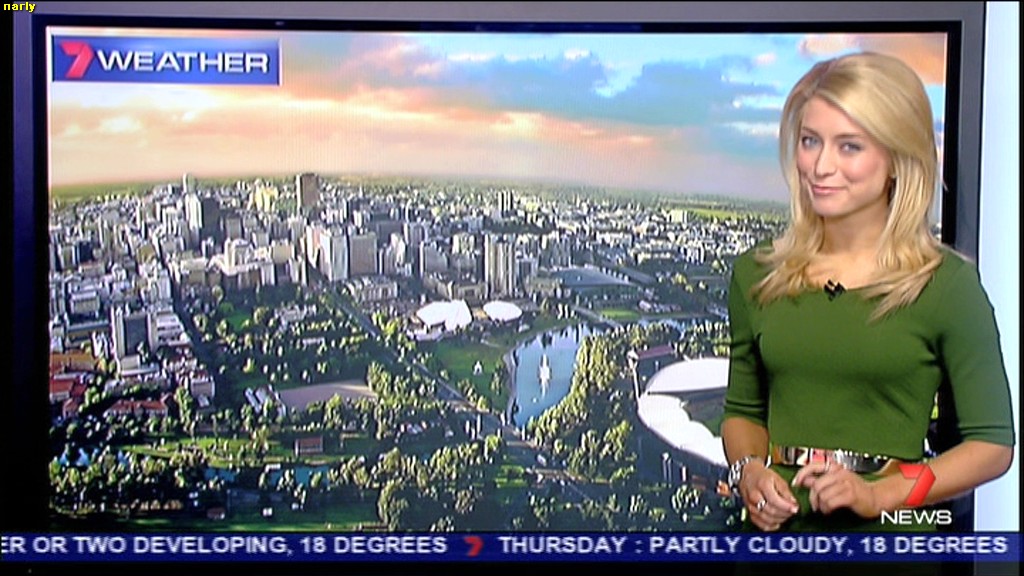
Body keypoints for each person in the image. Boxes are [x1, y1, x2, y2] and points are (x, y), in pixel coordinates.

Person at [721, 51, 1015, 533]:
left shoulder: (946, 287)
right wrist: (748, 471)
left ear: (897, 159)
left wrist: (881, 494)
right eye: (810, 141)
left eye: (849, 147)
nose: (820, 165)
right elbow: (742, 413)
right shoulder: (757, 275)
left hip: (888, 546)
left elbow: (991, 445)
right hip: (773, 541)